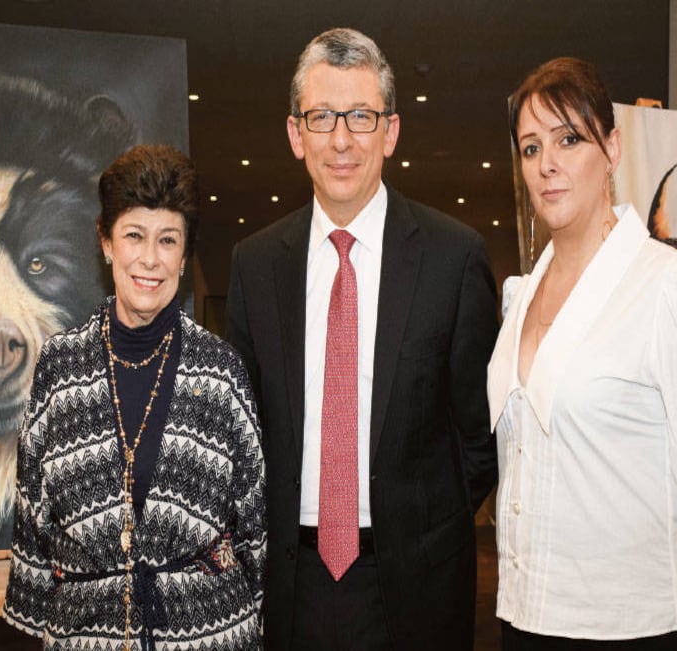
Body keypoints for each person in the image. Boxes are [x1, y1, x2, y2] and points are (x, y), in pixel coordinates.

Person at [487, 57, 677, 651]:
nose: (547, 164)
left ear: (612, 148)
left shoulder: (670, 288)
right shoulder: (519, 298)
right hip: (525, 621)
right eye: (531, 148)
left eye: (569, 139)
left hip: (635, 629)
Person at [226, 27, 499, 650]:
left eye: (361, 116)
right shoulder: (255, 264)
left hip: (418, 587)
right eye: (322, 116)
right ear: (296, 134)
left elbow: (480, 438)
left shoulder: (453, 258)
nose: (342, 138)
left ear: (391, 132)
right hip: (290, 584)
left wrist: (424, 527)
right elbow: (245, 431)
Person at [3, 144, 266, 650]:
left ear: (184, 256)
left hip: (207, 636)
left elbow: (252, 527)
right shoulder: (60, 366)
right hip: (85, 636)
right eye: (133, 236)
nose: (150, 258)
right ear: (106, 243)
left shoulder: (221, 372)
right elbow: (32, 518)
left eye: (168, 240)